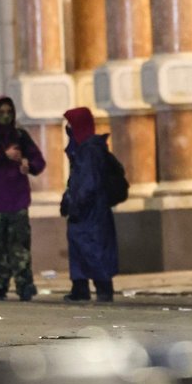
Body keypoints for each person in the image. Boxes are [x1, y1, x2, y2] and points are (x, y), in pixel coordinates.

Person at [0, 96, 45, 301]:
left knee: (20, 247)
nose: (5, 116)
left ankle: (25, 286)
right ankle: (0, 285)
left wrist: (28, 165)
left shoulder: (21, 136)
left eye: (8, 112)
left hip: (17, 201)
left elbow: (39, 162)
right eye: (1, 112)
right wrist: (3, 156)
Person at [59, 107, 118, 302]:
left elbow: (88, 182)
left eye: (70, 124)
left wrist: (76, 203)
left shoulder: (90, 150)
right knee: (80, 248)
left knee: (94, 249)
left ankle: (102, 288)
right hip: (84, 210)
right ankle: (80, 287)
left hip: (91, 212)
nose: (68, 129)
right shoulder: (81, 148)